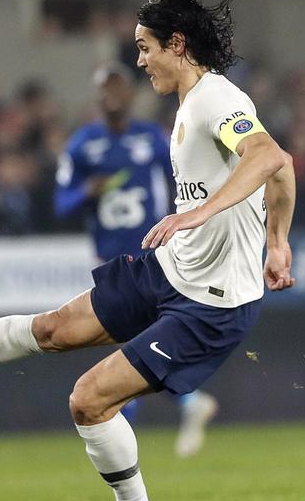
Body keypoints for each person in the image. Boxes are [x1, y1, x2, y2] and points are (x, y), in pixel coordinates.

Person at [0, 0, 296, 501]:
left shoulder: (214, 99)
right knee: (51, 329)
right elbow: (281, 172)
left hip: (213, 301)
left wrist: (201, 214)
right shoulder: (189, 105)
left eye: (144, 48)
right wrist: (276, 241)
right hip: (170, 269)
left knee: (89, 400)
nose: (139, 62)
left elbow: (269, 156)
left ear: (177, 45)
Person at [55, 61, 219, 456]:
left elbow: (188, 181)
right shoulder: (81, 144)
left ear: (131, 93)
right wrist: (85, 193)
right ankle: (187, 401)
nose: (111, 95)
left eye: (118, 87)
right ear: (97, 96)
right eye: (104, 88)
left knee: (134, 341)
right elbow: (61, 203)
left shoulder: (154, 138)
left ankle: (133, 421)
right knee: (137, 342)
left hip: (152, 252)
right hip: (109, 258)